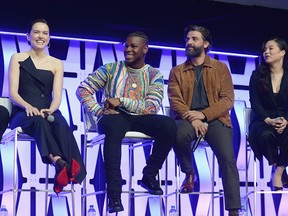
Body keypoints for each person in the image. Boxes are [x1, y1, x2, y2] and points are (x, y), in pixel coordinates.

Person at [76, 31, 177, 213]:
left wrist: (121, 100)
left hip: (141, 118)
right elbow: (83, 90)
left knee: (169, 126)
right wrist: (100, 111)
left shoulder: (154, 74)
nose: (128, 49)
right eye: (126, 45)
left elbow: (151, 107)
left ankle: (149, 174)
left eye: (133, 46)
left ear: (145, 49)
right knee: (114, 127)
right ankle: (114, 193)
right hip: (114, 117)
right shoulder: (110, 69)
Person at [167, 24, 241, 216]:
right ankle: (189, 172)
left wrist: (204, 115)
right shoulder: (177, 71)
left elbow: (227, 100)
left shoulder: (220, 68)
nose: (189, 42)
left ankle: (233, 210)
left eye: (194, 39)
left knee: (227, 158)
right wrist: (193, 118)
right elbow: (175, 100)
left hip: (216, 119)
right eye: (187, 39)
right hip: (188, 118)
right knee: (178, 134)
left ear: (205, 44)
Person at [8, 18, 86, 195]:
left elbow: (57, 95)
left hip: (47, 109)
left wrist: (52, 109)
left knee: (61, 124)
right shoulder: (17, 58)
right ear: (28, 36)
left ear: (49, 38)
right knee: (39, 122)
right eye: (36, 32)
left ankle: (67, 170)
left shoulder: (56, 63)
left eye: (45, 33)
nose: (40, 36)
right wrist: (27, 105)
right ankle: (59, 162)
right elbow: (13, 93)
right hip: (22, 110)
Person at [249, 37, 288, 191]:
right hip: (262, 120)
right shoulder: (257, 75)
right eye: (265, 49)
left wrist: (287, 120)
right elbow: (255, 102)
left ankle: (278, 172)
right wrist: (268, 120)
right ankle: (276, 166)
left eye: (271, 48)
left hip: (285, 119)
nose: (266, 52)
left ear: (282, 52)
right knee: (266, 135)